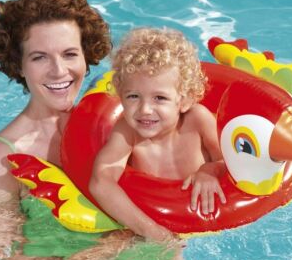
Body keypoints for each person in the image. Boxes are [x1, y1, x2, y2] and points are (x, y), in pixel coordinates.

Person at [0, 0, 112, 260]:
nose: (59, 71)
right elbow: (7, 249)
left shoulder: (117, 125)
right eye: (39, 57)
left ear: (86, 56)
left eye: (70, 54)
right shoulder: (0, 159)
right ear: (19, 65)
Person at [89, 27, 227, 242]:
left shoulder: (197, 120)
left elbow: (231, 162)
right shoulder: (127, 131)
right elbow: (101, 182)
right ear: (121, 96)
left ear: (184, 100)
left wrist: (209, 171)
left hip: (203, 220)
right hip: (150, 218)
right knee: (104, 248)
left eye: (160, 98)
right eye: (133, 96)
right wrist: (151, 231)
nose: (145, 109)